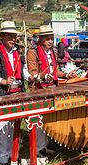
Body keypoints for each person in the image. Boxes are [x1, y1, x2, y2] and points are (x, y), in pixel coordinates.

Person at [0, 21, 29, 165]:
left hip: (17, 93)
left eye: (14, 35)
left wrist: (34, 77)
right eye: (9, 35)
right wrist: (3, 81)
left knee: (13, 126)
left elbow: (24, 72)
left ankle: (11, 155)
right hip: (1, 93)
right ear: (2, 36)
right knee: (1, 126)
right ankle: (1, 159)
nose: (13, 38)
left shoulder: (18, 52)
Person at [26, 25, 76, 156]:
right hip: (38, 90)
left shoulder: (52, 52)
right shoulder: (33, 51)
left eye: (52, 39)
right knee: (39, 121)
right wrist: (43, 76)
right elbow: (32, 72)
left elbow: (55, 72)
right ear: (41, 39)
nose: (50, 41)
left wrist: (66, 75)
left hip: (52, 88)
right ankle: (37, 150)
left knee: (48, 120)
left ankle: (44, 147)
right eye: (47, 39)